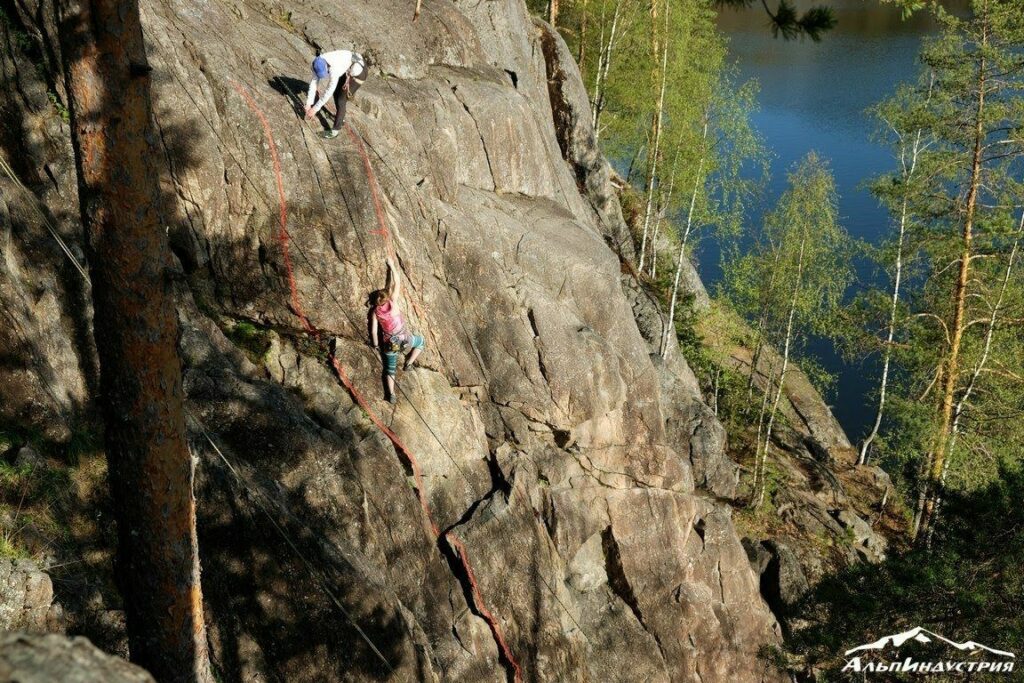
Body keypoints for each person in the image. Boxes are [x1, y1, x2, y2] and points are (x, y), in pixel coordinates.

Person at [370, 257, 424, 403]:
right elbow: (397, 282)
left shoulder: (376, 312)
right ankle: (408, 364)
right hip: (405, 340)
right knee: (420, 342)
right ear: (387, 298)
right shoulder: (393, 302)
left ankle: (392, 394)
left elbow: (374, 332)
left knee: (390, 370)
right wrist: (391, 266)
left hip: (389, 345)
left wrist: (375, 345)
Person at [304, 49, 367, 139]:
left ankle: (335, 131)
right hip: (347, 67)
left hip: (359, 72)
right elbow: (313, 83)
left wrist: (314, 109)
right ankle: (340, 118)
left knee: (341, 99)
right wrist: (308, 104)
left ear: (327, 66)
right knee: (336, 94)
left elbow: (328, 91)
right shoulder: (317, 62)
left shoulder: (335, 69)